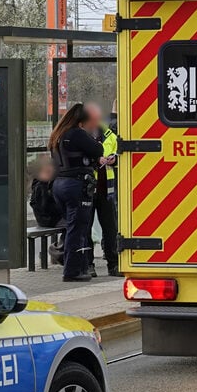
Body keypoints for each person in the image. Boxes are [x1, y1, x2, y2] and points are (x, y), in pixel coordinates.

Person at [48, 103, 107, 282]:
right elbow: (98, 149)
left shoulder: (57, 135)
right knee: (77, 228)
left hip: (59, 185)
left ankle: (78, 266)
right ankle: (73, 271)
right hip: (75, 185)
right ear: (81, 121)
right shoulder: (77, 133)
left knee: (72, 226)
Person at [90, 109, 119, 277]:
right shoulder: (81, 133)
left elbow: (116, 147)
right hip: (88, 189)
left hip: (106, 189)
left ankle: (113, 264)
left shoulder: (107, 132)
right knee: (85, 229)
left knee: (110, 228)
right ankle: (88, 264)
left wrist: (114, 158)